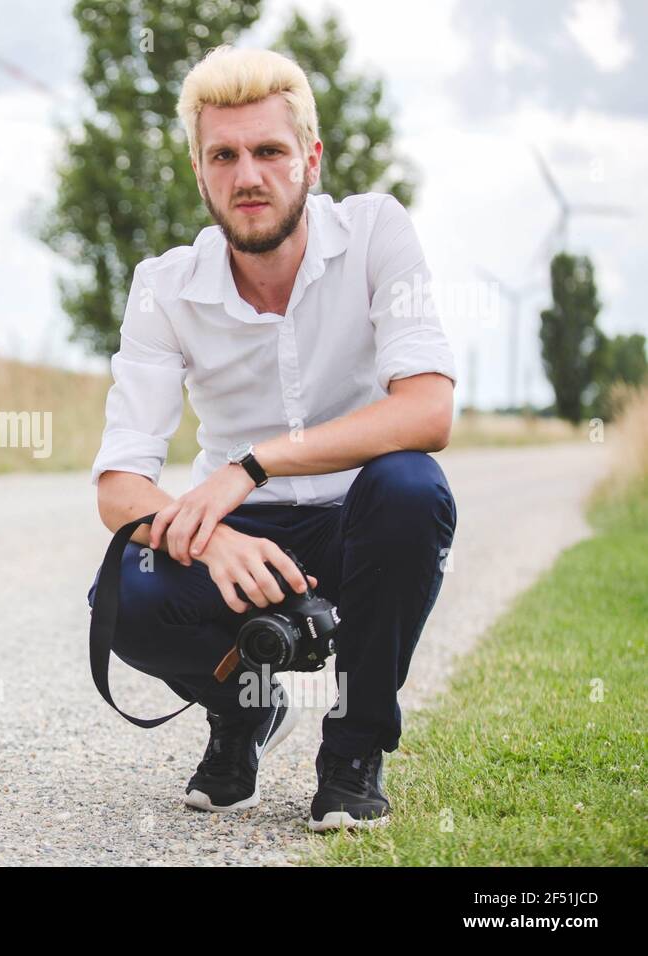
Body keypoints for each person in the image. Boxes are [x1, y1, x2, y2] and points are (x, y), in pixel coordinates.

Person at [86, 44, 458, 832]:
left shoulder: (376, 232)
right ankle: (243, 712)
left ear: (311, 160)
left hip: (361, 515)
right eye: (223, 155)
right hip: (245, 540)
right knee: (125, 594)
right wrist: (213, 540)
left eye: (269, 151)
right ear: (199, 170)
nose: (247, 175)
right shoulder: (164, 287)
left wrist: (249, 467)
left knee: (412, 488)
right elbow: (120, 486)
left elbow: (427, 411)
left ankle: (353, 751)